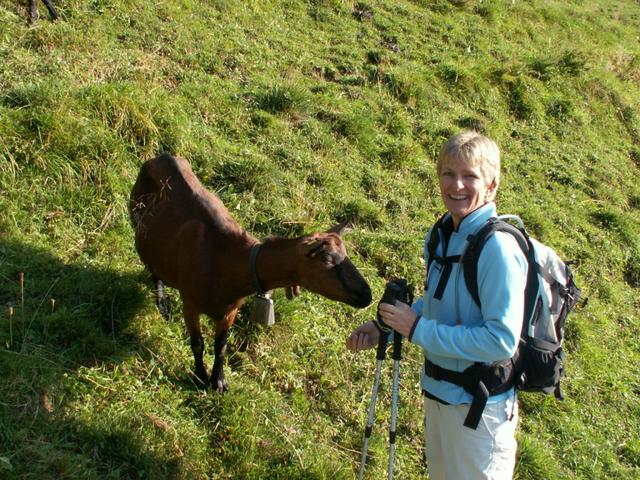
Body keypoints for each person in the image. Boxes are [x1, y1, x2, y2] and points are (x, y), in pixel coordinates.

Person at [346, 131, 528, 480]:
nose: (456, 185)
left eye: (470, 176)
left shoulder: (498, 249)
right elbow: (438, 302)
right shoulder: (443, 234)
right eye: (448, 173)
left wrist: (416, 329)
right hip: (439, 395)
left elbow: (501, 340)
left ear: (491, 185)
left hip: (480, 409)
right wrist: (386, 325)